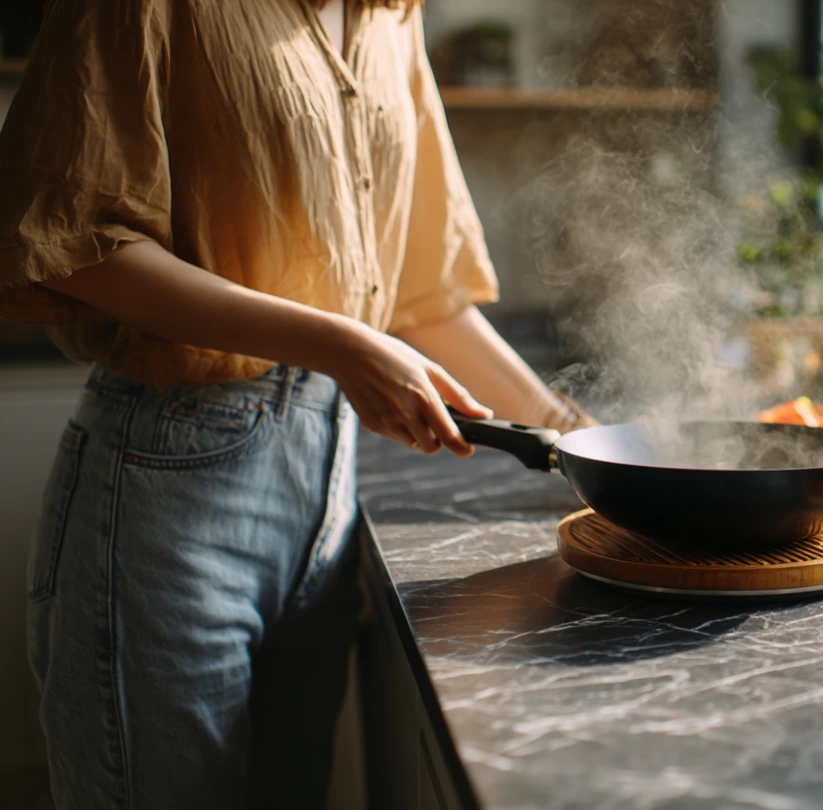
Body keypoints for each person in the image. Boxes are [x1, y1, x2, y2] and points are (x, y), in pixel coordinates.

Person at [0, 1, 590, 807]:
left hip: (326, 491)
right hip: (168, 490)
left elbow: (424, 293)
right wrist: (344, 345)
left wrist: (582, 444)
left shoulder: (391, 16)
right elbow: (69, 245)